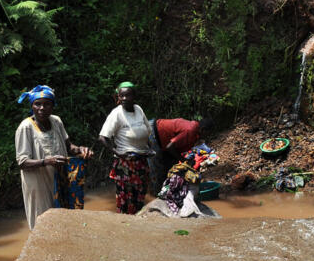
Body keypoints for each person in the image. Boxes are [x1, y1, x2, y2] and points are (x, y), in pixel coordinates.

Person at [14, 85, 93, 229]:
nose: (42, 108)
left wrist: (81, 150)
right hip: (39, 185)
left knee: (63, 222)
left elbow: (69, 146)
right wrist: (46, 161)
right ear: (32, 106)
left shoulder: (56, 121)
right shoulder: (25, 128)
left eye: (47, 104)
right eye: (38, 104)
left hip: (60, 180)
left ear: (53, 106)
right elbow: (22, 162)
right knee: (42, 223)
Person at [98, 82, 152, 214]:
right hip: (125, 164)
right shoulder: (116, 114)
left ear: (134, 96)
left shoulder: (138, 109)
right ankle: (123, 226)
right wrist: (117, 153)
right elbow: (102, 138)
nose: (124, 99)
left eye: (127, 95)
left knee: (140, 197)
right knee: (126, 200)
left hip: (141, 162)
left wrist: (149, 147)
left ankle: (137, 225)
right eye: (121, 96)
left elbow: (147, 130)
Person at [147, 117, 213, 194]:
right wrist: (183, 160)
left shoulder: (195, 131)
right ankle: (156, 196)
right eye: (208, 133)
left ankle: (167, 191)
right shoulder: (190, 130)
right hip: (152, 133)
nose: (207, 136)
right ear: (203, 129)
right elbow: (170, 147)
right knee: (157, 170)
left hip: (162, 139)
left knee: (171, 169)